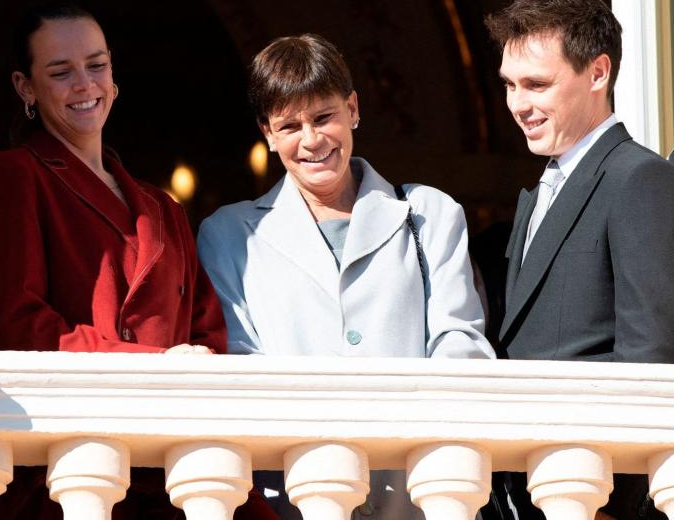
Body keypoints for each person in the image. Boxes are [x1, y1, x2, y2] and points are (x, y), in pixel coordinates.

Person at [0, 3, 276, 519]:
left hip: (173, 467)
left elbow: (207, 336)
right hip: (74, 466)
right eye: (60, 72)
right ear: (26, 88)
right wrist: (154, 366)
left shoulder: (164, 208)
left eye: (97, 65)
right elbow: (17, 324)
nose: (84, 84)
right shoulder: (14, 174)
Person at [197, 33, 495, 519]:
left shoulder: (430, 213)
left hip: (419, 499)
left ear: (352, 109)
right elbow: (241, 371)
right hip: (294, 499)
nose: (311, 140)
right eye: (289, 125)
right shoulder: (229, 235)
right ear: (267, 134)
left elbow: (459, 346)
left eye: (323, 117)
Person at [480, 0, 674, 519]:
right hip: (531, 491)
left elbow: (654, 363)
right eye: (510, 85)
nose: (518, 104)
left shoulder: (643, 181)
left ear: (598, 73)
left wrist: (614, 505)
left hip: (590, 494)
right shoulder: (545, 190)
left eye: (537, 84)